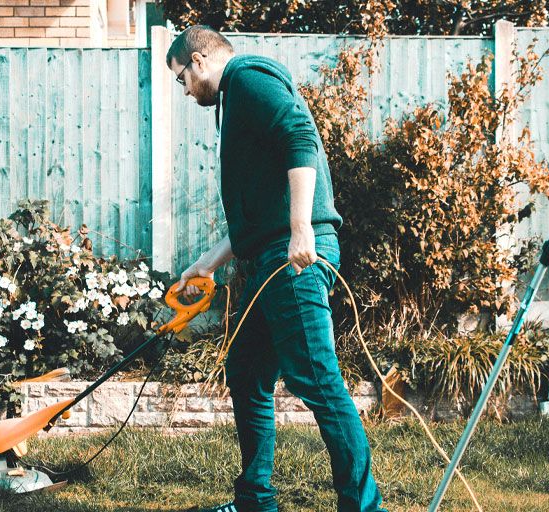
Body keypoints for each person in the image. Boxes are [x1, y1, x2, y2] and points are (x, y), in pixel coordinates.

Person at [168, 26, 388, 512]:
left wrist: (301, 227)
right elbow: (256, 217)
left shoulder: (247, 78)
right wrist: (204, 265)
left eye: (181, 78)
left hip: (295, 258)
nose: (184, 91)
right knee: (246, 368)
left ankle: (364, 507)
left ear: (199, 61)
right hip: (275, 255)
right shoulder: (236, 99)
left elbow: (300, 135)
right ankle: (255, 502)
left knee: (316, 378)